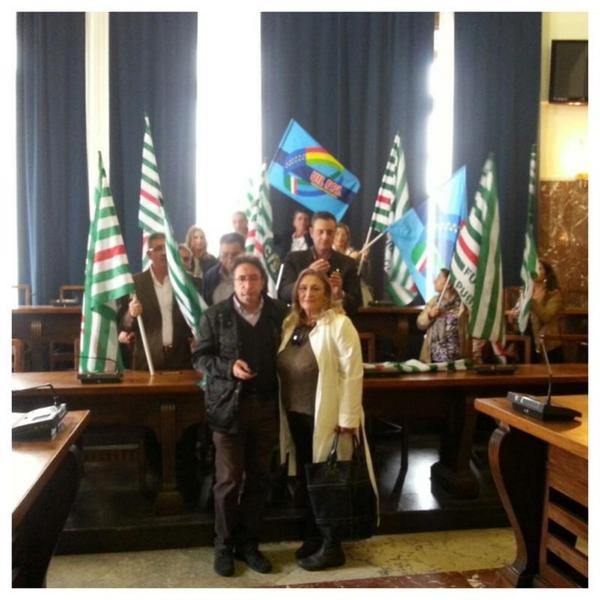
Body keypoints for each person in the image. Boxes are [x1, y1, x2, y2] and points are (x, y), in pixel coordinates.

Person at [192, 255, 288, 577]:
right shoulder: (215, 315)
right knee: (229, 480)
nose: (248, 285)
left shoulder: (279, 313)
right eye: (242, 279)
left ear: (263, 281)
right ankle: (223, 545)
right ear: (233, 283)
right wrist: (228, 367)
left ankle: (249, 544)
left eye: (253, 278)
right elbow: (200, 358)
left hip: (267, 407)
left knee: (260, 478)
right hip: (228, 409)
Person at [277, 268, 377, 571]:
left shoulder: (340, 324)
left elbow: (352, 373)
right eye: (303, 288)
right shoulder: (291, 324)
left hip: (328, 418)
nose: (307, 294)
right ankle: (315, 536)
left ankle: (333, 545)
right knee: (309, 479)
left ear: (328, 293)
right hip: (296, 416)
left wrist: (348, 418)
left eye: (315, 289)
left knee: (330, 480)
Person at [118, 232, 194, 370]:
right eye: (158, 249)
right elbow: (123, 324)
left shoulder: (186, 282)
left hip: (180, 360)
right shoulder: (135, 283)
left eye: (167, 248)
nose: (164, 253)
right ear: (149, 254)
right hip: (147, 361)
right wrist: (131, 314)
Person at [278, 211, 362, 317]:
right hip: (301, 320)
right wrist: (308, 274)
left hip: (334, 321)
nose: (325, 237)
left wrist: (340, 294)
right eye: (320, 232)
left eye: (329, 232)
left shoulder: (348, 264)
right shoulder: (294, 259)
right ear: (311, 232)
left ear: (335, 234)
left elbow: (357, 303)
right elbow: (283, 294)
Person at [509, 259, 564, 362]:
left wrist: (531, 301)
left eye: (539, 268)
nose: (535, 271)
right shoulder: (526, 292)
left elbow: (546, 317)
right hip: (526, 342)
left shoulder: (553, 294)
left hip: (546, 345)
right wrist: (513, 314)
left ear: (546, 274)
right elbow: (519, 310)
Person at [416, 268, 468, 363]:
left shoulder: (462, 304)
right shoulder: (434, 302)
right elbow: (420, 324)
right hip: (434, 359)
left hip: (457, 359)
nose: (435, 281)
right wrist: (430, 315)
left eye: (439, 278)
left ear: (448, 284)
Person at [333, 223, 373, 306]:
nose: (340, 237)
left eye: (343, 235)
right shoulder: (328, 253)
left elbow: (364, 275)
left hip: (352, 295)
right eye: (337, 234)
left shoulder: (355, 253)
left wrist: (364, 259)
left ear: (347, 237)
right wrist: (349, 260)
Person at [202, 232, 245, 305]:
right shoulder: (210, 276)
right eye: (225, 255)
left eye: (235, 255)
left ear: (244, 253)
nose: (230, 260)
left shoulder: (255, 273)